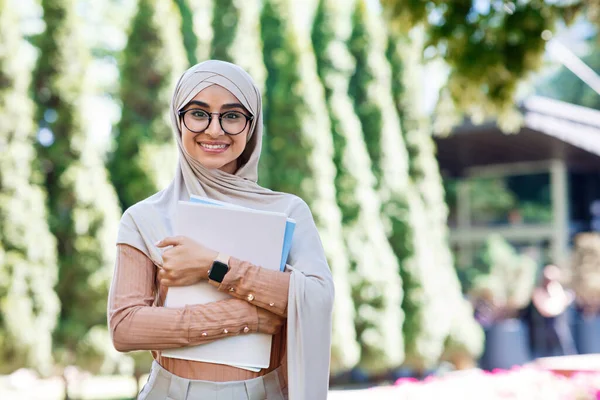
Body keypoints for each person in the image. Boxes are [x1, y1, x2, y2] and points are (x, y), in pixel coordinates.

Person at [108, 60, 335, 400]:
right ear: (178, 119)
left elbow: (317, 297)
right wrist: (245, 317)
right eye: (199, 113)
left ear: (251, 126)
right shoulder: (145, 218)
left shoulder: (288, 211)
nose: (214, 130)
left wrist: (212, 265)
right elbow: (125, 328)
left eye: (231, 116)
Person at [521, 264, 576, 359]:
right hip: (543, 327)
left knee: (563, 341)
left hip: (558, 325)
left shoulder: (556, 288)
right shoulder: (538, 291)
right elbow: (545, 309)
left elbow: (561, 303)